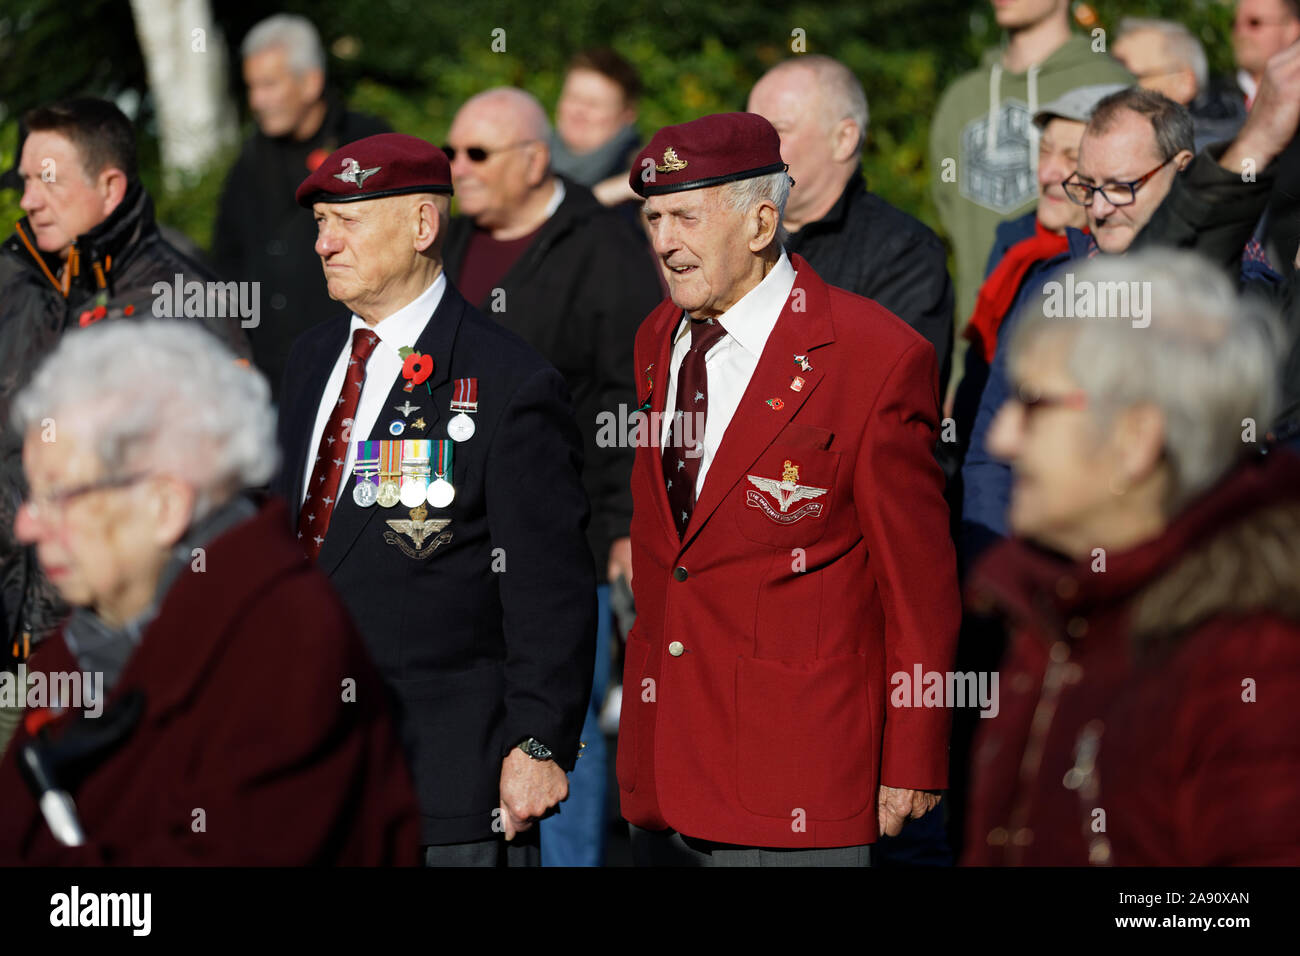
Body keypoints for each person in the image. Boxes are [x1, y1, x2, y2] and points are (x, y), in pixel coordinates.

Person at [618, 113, 960, 866]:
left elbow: (920, 589)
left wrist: (913, 755)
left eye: (685, 216)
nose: (664, 241)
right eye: (653, 217)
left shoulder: (874, 355)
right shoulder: (656, 340)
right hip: (664, 769)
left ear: (761, 221)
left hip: (798, 775)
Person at [273, 133, 595, 866]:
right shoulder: (309, 359)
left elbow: (552, 593)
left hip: (445, 784)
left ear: (422, 225)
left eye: (346, 222)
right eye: (320, 224)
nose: (324, 244)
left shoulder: (509, 382)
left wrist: (538, 742)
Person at [0, 321, 419, 864]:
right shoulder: (89, 634)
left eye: (58, 495)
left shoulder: (287, 644)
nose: (26, 527)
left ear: (163, 507)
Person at [962, 250, 1300, 865]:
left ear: (1134, 439)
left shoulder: (1254, 665)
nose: (1001, 438)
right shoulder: (1057, 618)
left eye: (1034, 403)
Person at [441, 88, 661, 867]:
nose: (457, 169)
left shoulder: (603, 249)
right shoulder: (452, 245)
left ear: (536, 161)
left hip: (566, 540)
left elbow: (633, 393)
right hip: (457, 536)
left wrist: (623, 525)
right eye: (451, 153)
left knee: (559, 730)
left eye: (478, 154)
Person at [0, 98, 251, 748]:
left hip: (117, 656)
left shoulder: (183, 297)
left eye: (47, 179)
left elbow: (223, 493)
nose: (28, 199)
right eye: (23, 180)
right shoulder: (8, 283)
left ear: (109, 184)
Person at [961, 88, 1201, 566]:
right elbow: (991, 456)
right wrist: (996, 572)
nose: (1100, 208)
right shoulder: (1048, 290)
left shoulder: (1227, 294)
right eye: (1088, 187)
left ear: (1182, 171)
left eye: (1121, 186)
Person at [929, 0, 1132, 363]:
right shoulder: (960, 100)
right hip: (976, 356)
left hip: (1089, 353)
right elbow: (949, 219)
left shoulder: (1111, 87)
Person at [748, 56, 955, 388]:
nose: (753, 149)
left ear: (843, 139)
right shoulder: (733, 236)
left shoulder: (904, 253)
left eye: (777, 131)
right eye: (751, 132)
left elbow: (887, 397)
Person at [212, 13, 390, 399]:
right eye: (252, 87)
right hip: (265, 380)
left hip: (356, 370)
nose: (257, 101)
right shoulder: (247, 163)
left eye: (269, 85)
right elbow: (225, 263)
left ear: (311, 82)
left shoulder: (370, 147)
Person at [954, 83, 1123, 464]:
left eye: (1070, 157)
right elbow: (980, 382)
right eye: (1044, 151)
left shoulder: (1125, 270)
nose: (1047, 172)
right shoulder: (1015, 242)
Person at [551, 48, 643, 208]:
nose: (578, 111)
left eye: (594, 104)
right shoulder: (529, 161)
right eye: (573, 98)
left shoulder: (642, 180)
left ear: (627, 115)